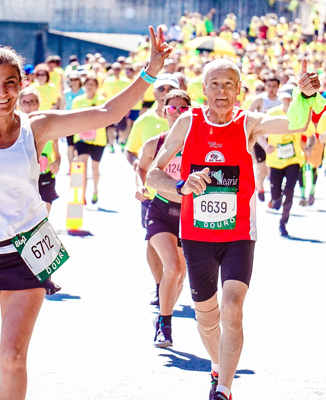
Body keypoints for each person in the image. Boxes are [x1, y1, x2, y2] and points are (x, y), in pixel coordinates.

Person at [0, 28, 171, 400]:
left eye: (10, 83)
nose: (2, 92)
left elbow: (107, 112)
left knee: (12, 358)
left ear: (22, 84)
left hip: (26, 253)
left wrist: (150, 71)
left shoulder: (38, 127)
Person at [146, 58, 319, 400]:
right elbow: (153, 174)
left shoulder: (247, 123)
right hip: (196, 235)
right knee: (207, 318)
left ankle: (223, 389)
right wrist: (182, 184)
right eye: (214, 84)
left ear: (239, 90)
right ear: (204, 89)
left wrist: (305, 96)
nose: (221, 90)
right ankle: (217, 366)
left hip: (239, 234)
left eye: (228, 84)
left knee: (233, 307)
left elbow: (293, 125)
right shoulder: (187, 122)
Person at [136, 90, 191, 347]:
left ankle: (162, 316)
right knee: (174, 268)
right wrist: (140, 186)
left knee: (179, 277)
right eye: (172, 108)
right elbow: (142, 168)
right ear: (164, 111)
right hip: (160, 210)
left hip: (190, 216)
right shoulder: (154, 144)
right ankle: (165, 325)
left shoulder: (199, 144)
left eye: (183, 108)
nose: (177, 113)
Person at [125, 73, 179, 306]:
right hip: (151, 193)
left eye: (171, 88)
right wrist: (139, 168)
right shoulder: (143, 121)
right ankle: (160, 286)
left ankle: (172, 282)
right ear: (154, 93)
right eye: (161, 88)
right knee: (151, 241)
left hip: (179, 195)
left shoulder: (188, 119)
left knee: (178, 248)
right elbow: (130, 151)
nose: (165, 91)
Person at [258, 91, 315, 235]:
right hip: (276, 161)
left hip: (294, 159)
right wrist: (265, 146)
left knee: (289, 192)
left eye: (291, 97)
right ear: (281, 98)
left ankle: (283, 223)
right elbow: (258, 133)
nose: (288, 100)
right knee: (277, 197)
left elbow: (311, 136)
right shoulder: (272, 113)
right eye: (285, 97)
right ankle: (276, 200)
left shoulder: (300, 114)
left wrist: (309, 146)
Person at [18, 86, 60, 214]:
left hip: (45, 178)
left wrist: (56, 165)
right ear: (18, 105)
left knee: (43, 219)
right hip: (22, 180)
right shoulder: (12, 129)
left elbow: (57, 156)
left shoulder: (48, 127)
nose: (28, 106)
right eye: (24, 102)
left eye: (32, 102)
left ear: (38, 104)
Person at [72, 76, 107, 204]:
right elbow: (73, 118)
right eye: (87, 84)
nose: (89, 86)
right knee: (82, 166)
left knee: (95, 168)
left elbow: (105, 117)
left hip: (98, 139)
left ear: (96, 87)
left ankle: (95, 190)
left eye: (92, 84)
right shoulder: (77, 101)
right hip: (81, 138)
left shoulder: (102, 100)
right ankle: (82, 194)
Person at [249, 75, 282, 201]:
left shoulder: (281, 100)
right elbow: (248, 114)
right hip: (261, 138)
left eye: (274, 86)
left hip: (276, 138)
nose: (271, 89)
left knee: (273, 169)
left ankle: (275, 192)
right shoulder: (260, 100)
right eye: (269, 86)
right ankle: (260, 188)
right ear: (265, 86)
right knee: (261, 167)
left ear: (278, 87)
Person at [101, 62, 131, 152]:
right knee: (110, 127)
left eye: (118, 69)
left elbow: (128, 95)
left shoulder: (126, 81)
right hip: (109, 107)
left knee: (122, 127)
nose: (116, 71)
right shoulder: (107, 81)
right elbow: (104, 94)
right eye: (114, 69)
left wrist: (128, 108)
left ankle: (122, 142)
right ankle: (111, 144)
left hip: (122, 107)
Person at [62, 71, 85, 170]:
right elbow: (63, 107)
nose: (74, 82)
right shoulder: (66, 93)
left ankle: (78, 166)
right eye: (71, 80)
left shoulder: (84, 92)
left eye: (76, 79)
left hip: (81, 122)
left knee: (78, 145)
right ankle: (71, 167)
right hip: (68, 121)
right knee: (70, 145)